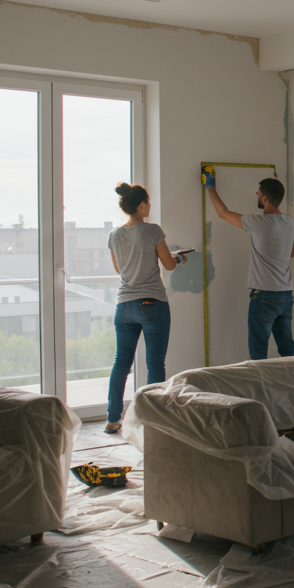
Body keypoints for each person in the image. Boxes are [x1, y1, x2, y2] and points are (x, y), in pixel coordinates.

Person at [105, 183, 189, 434]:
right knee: (154, 363)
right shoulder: (152, 230)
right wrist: (179, 258)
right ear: (141, 206)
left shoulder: (115, 235)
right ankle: (154, 418)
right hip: (152, 303)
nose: (149, 207)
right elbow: (169, 265)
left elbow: (119, 269)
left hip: (124, 305)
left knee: (121, 362)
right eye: (148, 203)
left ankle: (112, 418)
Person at [204, 169, 294, 361]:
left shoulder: (258, 222)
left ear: (264, 198)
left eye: (258, 192)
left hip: (264, 296)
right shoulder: (289, 222)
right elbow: (292, 252)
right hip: (286, 295)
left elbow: (223, 213)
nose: (256, 194)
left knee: (258, 353)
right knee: (288, 349)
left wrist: (211, 187)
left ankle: (259, 391)